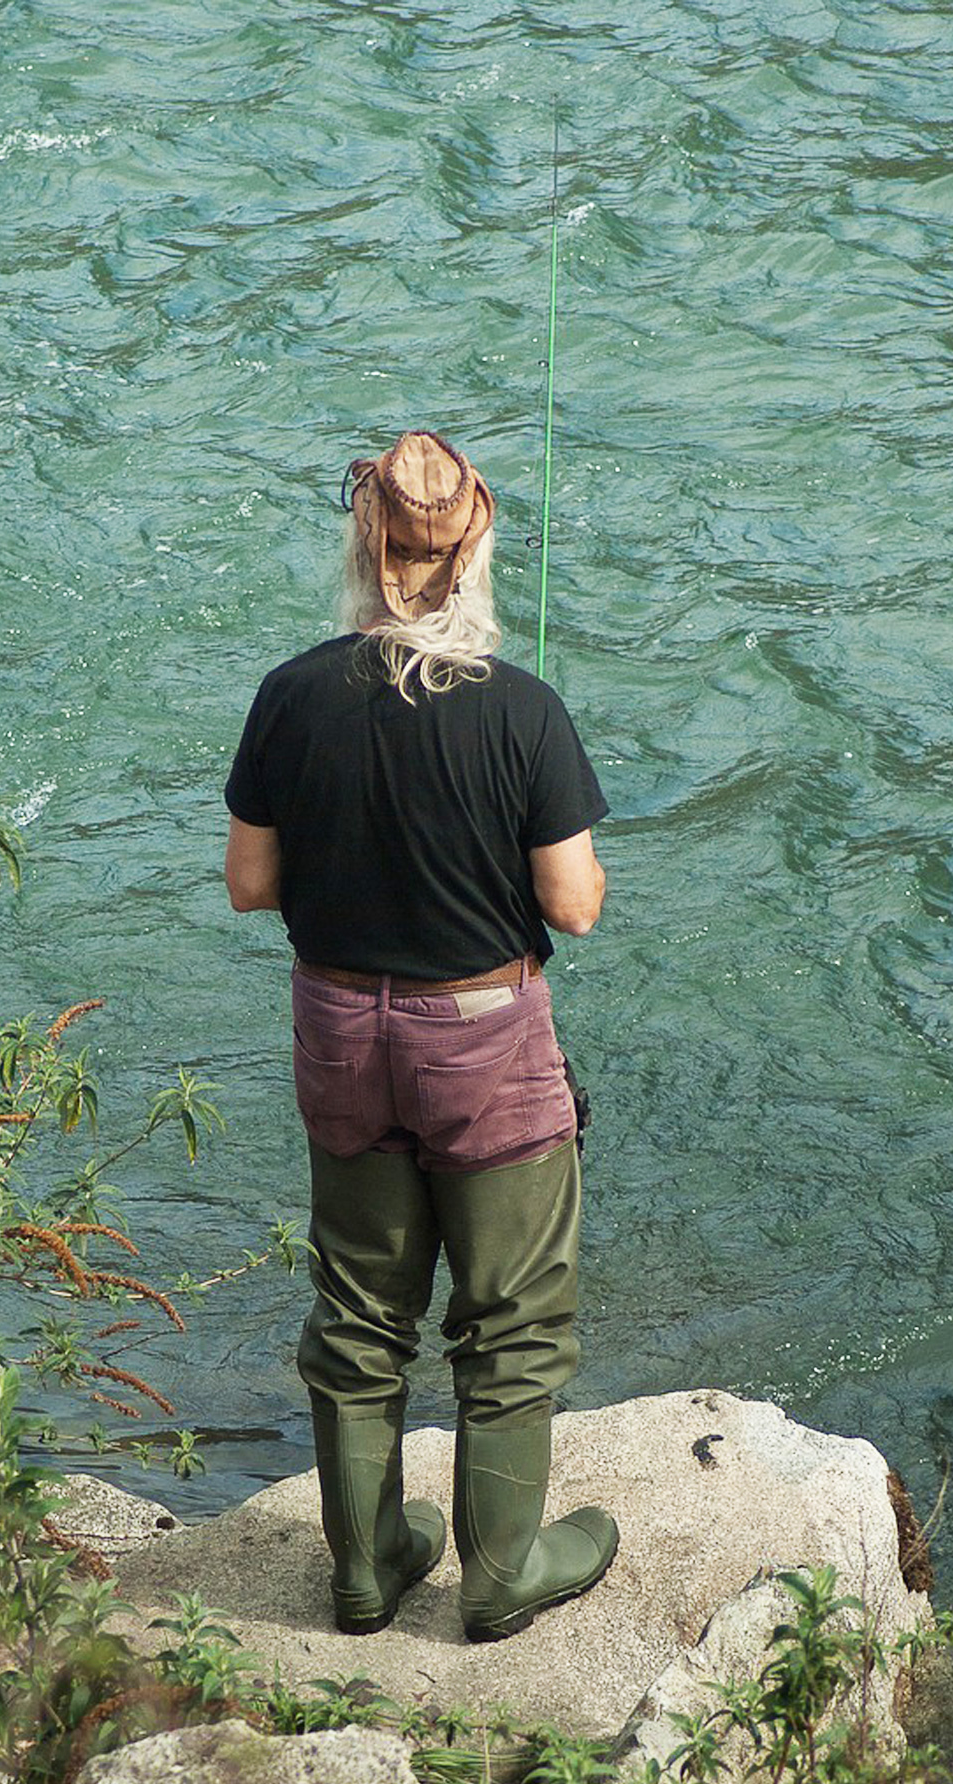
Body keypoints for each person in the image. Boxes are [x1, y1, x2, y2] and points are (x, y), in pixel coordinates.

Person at [224, 430, 618, 1642]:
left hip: (339, 1025)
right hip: (483, 1037)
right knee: (508, 1317)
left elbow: (249, 883)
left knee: (357, 1310)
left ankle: (369, 1563)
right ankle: (499, 1573)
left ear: (366, 548)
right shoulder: (522, 709)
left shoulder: (291, 695)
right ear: (473, 554)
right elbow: (573, 905)